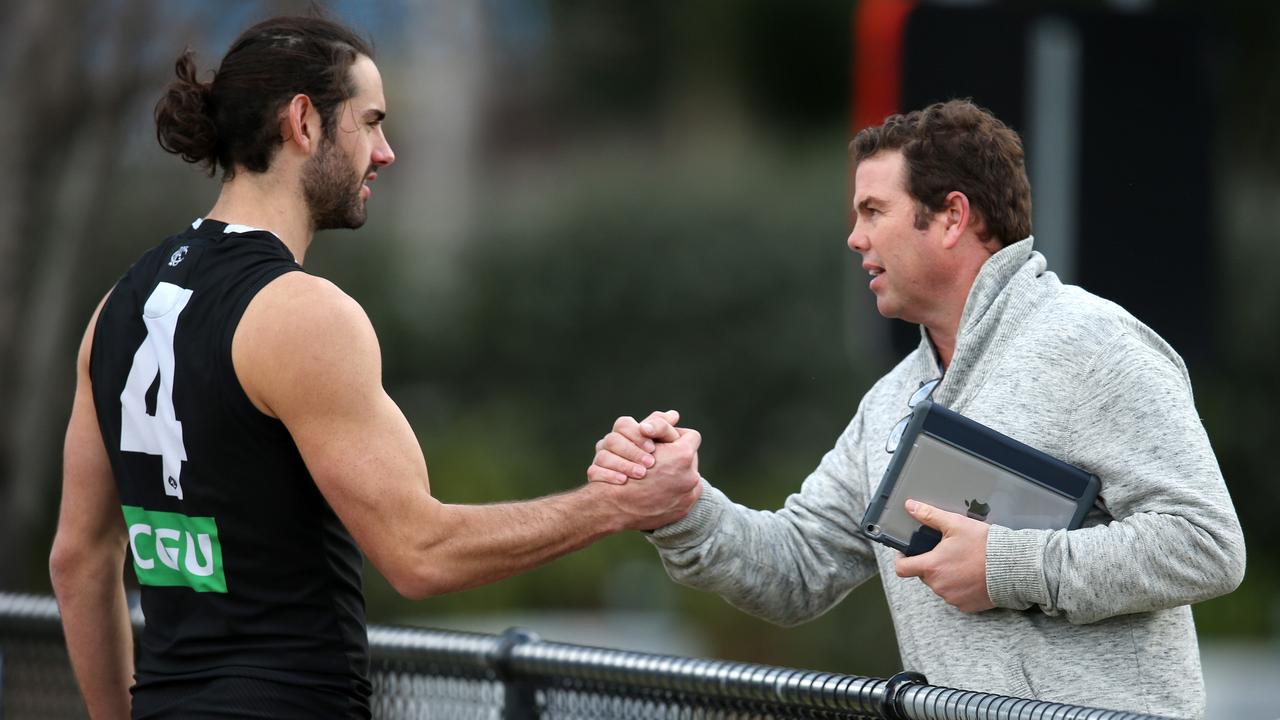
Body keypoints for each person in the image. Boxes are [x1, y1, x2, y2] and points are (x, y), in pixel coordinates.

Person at [47, 15, 701, 720]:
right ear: (303, 121)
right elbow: (420, 553)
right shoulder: (303, 315)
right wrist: (614, 506)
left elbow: (77, 561)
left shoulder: (119, 305)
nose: (386, 153)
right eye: (371, 121)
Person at [589, 99, 1245, 718]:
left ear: (953, 217)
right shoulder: (890, 403)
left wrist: (1005, 567)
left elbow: (1207, 544)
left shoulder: (1095, 345)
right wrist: (681, 507)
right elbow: (793, 570)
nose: (854, 238)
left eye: (874, 211)